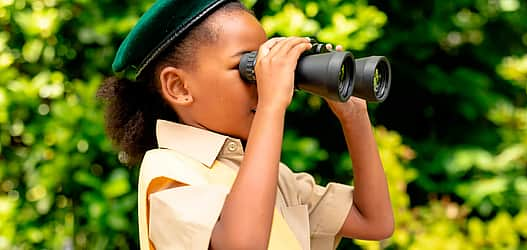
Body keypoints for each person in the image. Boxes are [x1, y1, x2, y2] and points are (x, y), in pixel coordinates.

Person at [97, 0, 394, 249]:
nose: (264, 84)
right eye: (248, 68)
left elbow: (374, 221)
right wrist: (271, 105)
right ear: (179, 87)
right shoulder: (166, 170)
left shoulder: (271, 178)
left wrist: (354, 116)